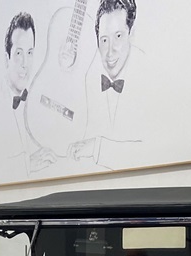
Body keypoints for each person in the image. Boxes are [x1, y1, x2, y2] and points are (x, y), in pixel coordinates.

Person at [68, 0, 151, 170]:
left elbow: (152, 152)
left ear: (132, 33)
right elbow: (86, 136)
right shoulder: (92, 76)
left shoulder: (148, 73)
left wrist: (97, 148)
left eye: (118, 36)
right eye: (104, 40)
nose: (110, 51)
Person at [0, 12, 56, 178]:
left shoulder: (36, 100)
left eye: (29, 53)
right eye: (19, 53)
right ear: (6, 59)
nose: (25, 64)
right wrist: (27, 164)